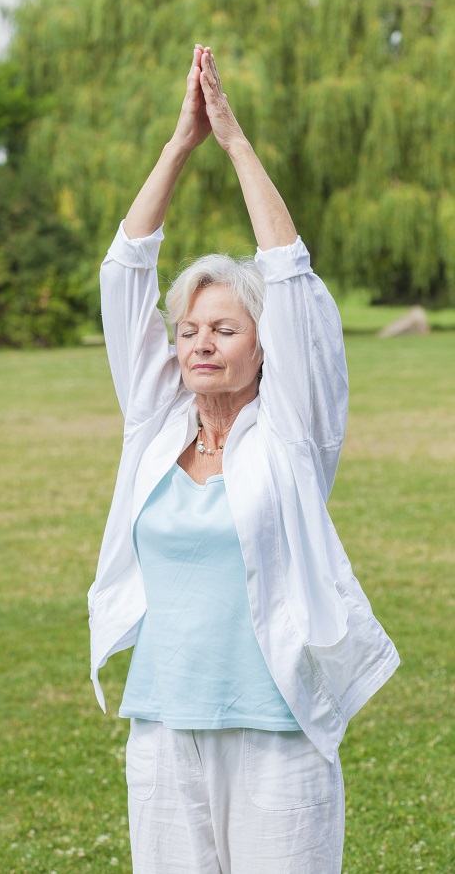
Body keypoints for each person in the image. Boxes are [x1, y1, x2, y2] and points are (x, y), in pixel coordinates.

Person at [87, 45, 399, 873]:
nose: (199, 344)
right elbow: (125, 273)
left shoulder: (294, 434)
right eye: (188, 331)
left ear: (264, 348)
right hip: (162, 727)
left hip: (275, 731)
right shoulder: (156, 425)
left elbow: (290, 280)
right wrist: (176, 148)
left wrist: (232, 143)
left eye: (224, 330)